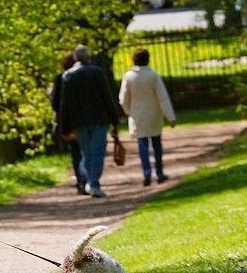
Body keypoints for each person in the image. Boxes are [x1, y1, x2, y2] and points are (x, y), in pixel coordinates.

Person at [58, 44, 121, 198]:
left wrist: (64, 127)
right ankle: (93, 183)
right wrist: (114, 119)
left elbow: (64, 104)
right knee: (98, 152)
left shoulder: (68, 75)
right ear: (88, 57)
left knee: (86, 153)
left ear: (75, 58)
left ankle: (89, 181)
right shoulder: (97, 73)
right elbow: (107, 97)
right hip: (99, 119)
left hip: (79, 122)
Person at [119, 48, 177, 186]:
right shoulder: (153, 76)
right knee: (156, 143)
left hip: (137, 114)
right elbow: (163, 98)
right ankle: (159, 172)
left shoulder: (129, 76)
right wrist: (170, 117)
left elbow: (123, 98)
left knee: (142, 144)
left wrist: (128, 111)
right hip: (153, 113)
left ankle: (146, 172)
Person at [49, 52, 86, 194]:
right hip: (83, 120)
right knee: (85, 150)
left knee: (75, 152)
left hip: (68, 121)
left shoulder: (60, 78)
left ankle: (80, 181)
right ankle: (86, 178)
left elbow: (55, 104)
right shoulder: (83, 77)